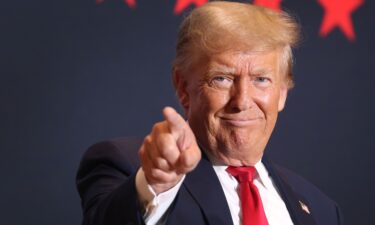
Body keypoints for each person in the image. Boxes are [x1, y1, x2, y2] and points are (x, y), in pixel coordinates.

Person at [76, 1, 343, 225]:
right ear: (183, 87)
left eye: (261, 79)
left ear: (282, 92)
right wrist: (158, 184)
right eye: (222, 79)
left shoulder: (322, 210)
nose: (242, 101)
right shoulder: (127, 167)